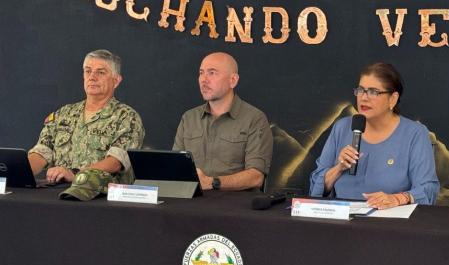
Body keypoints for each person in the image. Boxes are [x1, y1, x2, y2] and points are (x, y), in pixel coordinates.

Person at [309, 62, 439, 209]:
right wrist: (339, 168)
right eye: (360, 90)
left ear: (393, 99)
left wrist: (397, 199)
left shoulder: (415, 134)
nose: (363, 98)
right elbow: (316, 189)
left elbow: (428, 190)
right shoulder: (342, 128)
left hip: (390, 225)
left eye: (373, 92)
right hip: (342, 223)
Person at [28, 49, 145, 193]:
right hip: (57, 194)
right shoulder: (64, 114)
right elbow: (41, 152)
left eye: (101, 72)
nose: (92, 77)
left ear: (116, 81)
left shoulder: (126, 117)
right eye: (88, 71)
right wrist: (17, 172)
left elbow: (115, 162)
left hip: (103, 198)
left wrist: (76, 174)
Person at [173, 52, 272, 191]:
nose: (203, 79)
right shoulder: (189, 118)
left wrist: (213, 183)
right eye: (201, 73)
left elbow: (256, 177)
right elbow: (175, 167)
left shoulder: (254, 119)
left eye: (212, 73)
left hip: (234, 207)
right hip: (190, 203)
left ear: (233, 80)